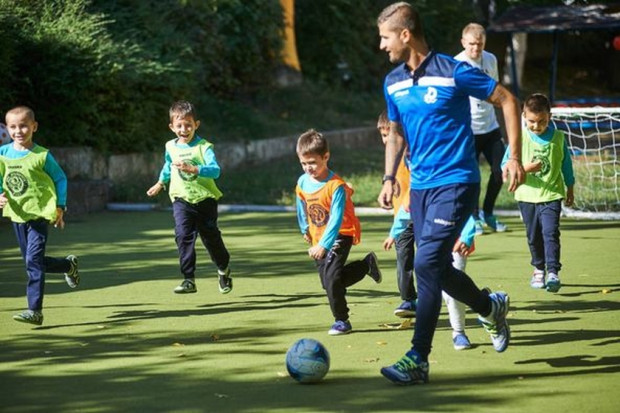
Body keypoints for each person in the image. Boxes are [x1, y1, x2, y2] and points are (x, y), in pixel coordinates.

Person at [376, 2, 525, 385]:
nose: (381, 45)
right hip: (421, 189)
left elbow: (508, 100)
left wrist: (513, 156)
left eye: (385, 37)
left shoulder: (453, 71)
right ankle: (490, 307)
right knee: (437, 268)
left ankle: (418, 358)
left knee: (424, 265)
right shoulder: (393, 81)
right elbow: (394, 131)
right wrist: (389, 176)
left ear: (405, 34)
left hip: (457, 182)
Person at [295, 129, 383, 335]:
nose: (308, 168)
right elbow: (301, 203)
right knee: (329, 283)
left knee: (332, 279)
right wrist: (305, 228)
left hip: (340, 234)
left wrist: (323, 245)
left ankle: (342, 321)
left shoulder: (336, 187)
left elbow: (335, 219)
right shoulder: (302, 182)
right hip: (317, 237)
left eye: (313, 163)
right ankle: (365, 266)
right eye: (303, 163)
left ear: (326, 157)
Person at [0, 106, 79, 326]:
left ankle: (35, 310)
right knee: (32, 260)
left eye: (24, 126)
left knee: (33, 261)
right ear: (7, 129)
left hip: (40, 214)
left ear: (34, 127)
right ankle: (67, 265)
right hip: (17, 214)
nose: (19, 131)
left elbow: (60, 178)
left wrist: (60, 207)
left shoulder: (42, 155)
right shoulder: (2, 154)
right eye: (13, 127)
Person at [147, 100, 232, 295]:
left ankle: (223, 269)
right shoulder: (170, 146)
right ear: (172, 127)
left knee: (210, 238)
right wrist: (160, 183)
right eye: (179, 125)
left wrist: (195, 169)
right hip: (181, 199)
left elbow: (215, 171)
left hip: (205, 200)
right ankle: (188, 279)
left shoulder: (204, 147)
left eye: (188, 125)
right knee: (183, 236)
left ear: (196, 125)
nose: (184, 129)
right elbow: (168, 166)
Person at [501, 93, 575, 293]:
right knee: (533, 236)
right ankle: (538, 269)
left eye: (541, 121)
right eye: (532, 121)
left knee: (550, 233)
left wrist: (570, 186)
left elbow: (566, 165)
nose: (536, 126)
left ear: (549, 116)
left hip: (551, 194)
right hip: (527, 196)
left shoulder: (559, 138)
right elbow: (505, 166)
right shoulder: (519, 138)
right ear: (524, 116)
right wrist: (524, 169)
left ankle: (553, 272)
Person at [455, 23, 508, 234]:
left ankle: (488, 213)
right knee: (472, 177)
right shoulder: (457, 64)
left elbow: (495, 90)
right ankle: (473, 217)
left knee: (500, 170)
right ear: (463, 43)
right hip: (468, 131)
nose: (476, 49)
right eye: (472, 45)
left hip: (491, 126)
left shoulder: (491, 59)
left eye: (480, 44)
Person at [378, 111, 417, 318]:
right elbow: (392, 184)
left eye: (390, 135)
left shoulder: (413, 155)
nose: (387, 140)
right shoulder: (390, 160)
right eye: (383, 136)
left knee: (429, 261)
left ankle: (439, 295)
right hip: (401, 220)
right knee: (404, 259)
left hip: (420, 216)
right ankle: (408, 299)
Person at [443, 216, 477, 350]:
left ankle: (459, 332)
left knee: (452, 288)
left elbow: (465, 208)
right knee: (436, 288)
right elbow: (408, 208)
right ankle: (488, 303)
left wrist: (466, 237)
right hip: (430, 243)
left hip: (457, 242)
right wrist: (395, 233)